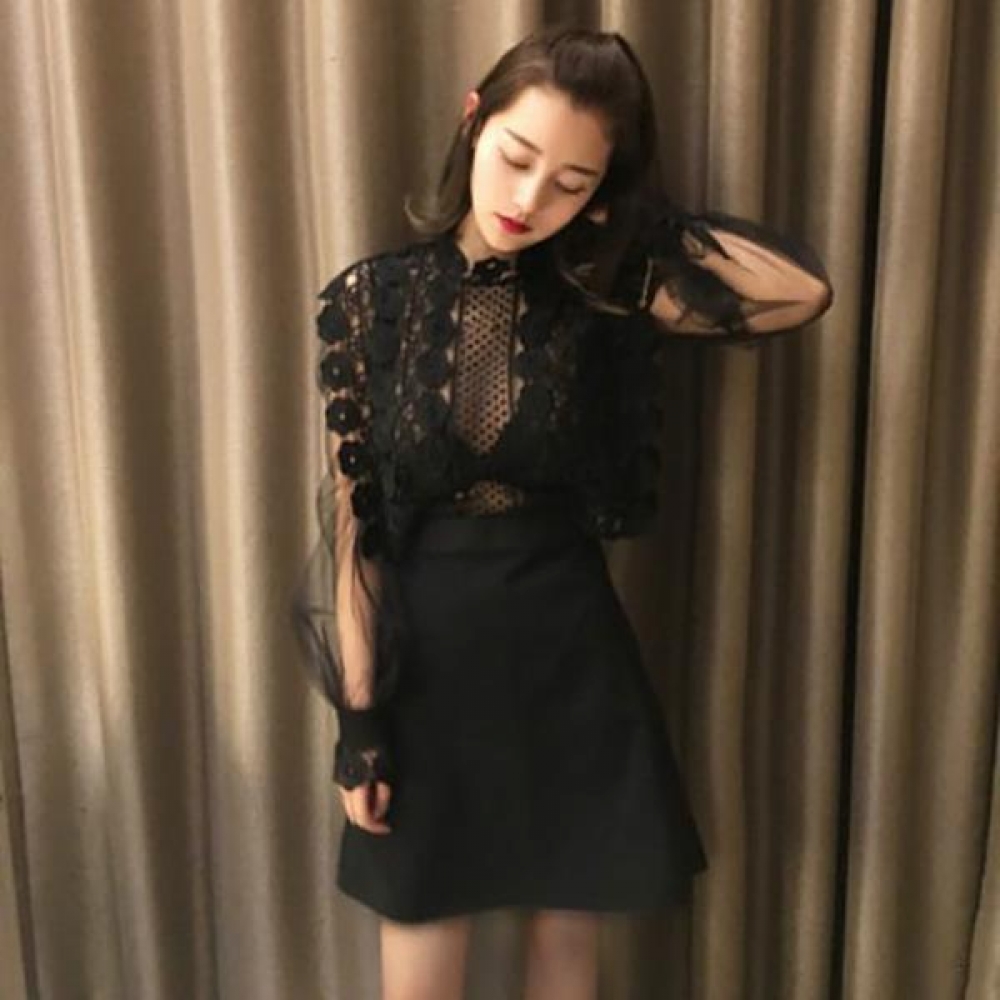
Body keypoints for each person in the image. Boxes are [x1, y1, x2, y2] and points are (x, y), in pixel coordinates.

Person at [290, 24, 833, 1000]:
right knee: (418, 967)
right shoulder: (372, 303)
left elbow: (799, 292)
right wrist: (359, 723)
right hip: (427, 667)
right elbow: (355, 537)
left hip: (569, 655)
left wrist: (628, 228)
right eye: (517, 156)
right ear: (474, 121)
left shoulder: (607, 295)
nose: (529, 200)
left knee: (566, 957)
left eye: (572, 182)